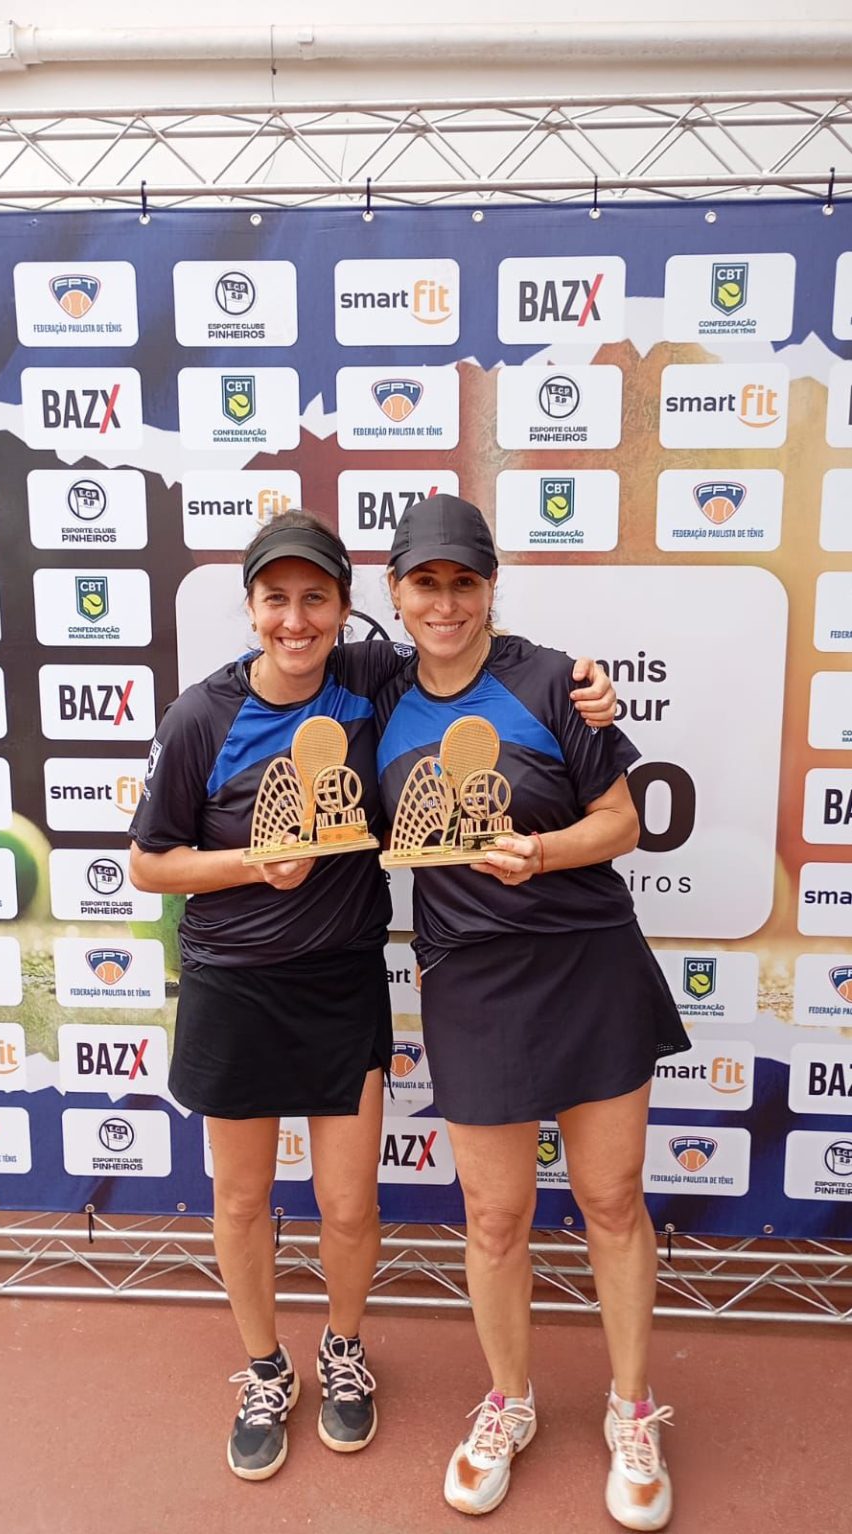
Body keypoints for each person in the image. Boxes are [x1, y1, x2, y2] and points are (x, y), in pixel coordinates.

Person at [128, 508, 616, 1483]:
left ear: (348, 608)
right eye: (276, 599)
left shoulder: (369, 677)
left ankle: (343, 1347)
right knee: (241, 1199)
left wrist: (585, 684)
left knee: (348, 1205)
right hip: (231, 984)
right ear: (250, 607)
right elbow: (148, 864)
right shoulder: (200, 716)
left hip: (342, 977)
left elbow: (469, 654)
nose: (295, 620)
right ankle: (265, 1368)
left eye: (315, 599)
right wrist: (249, 863)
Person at [375, 493, 691, 1530]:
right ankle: (508, 1401)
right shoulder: (373, 695)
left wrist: (542, 852)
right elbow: (286, 676)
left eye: (463, 581)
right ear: (395, 592)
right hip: (470, 982)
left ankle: (631, 1409)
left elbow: (622, 820)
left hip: (587, 964)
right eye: (426, 583)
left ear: (490, 587)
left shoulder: (553, 680)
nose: (445, 603)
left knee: (611, 1200)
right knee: (495, 1217)